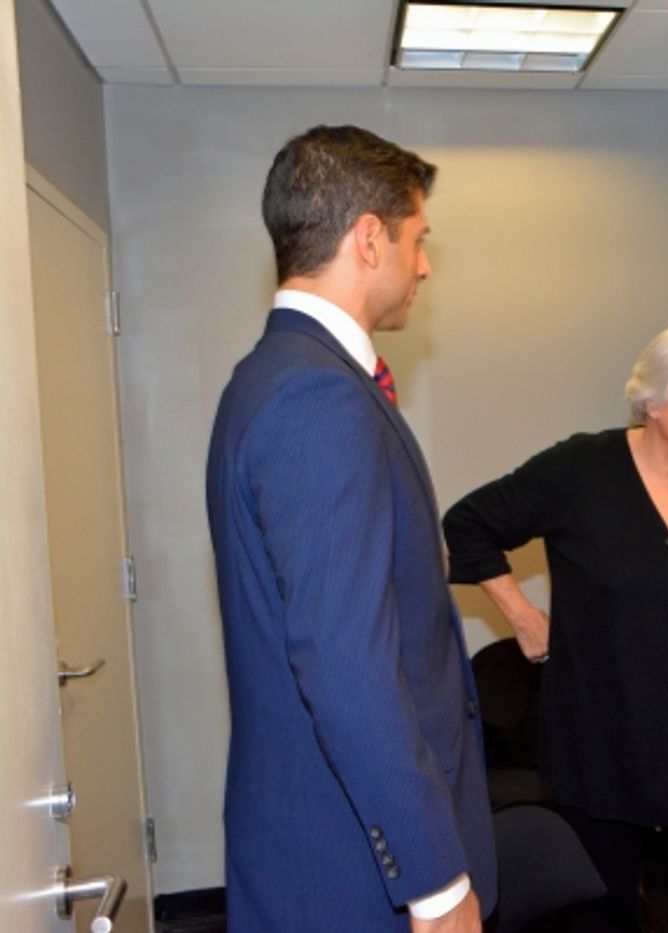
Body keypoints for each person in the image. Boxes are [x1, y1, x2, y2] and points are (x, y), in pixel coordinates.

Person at [206, 125, 496, 933]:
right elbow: (343, 662)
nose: (425, 265)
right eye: (418, 239)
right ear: (370, 239)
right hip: (351, 873)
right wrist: (437, 886)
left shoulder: (272, 378)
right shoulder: (317, 399)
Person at [442, 324, 668, 932]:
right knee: (605, 917)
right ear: (654, 402)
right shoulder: (581, 469)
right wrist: (522, 614)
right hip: (599, 745)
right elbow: (468, 525)